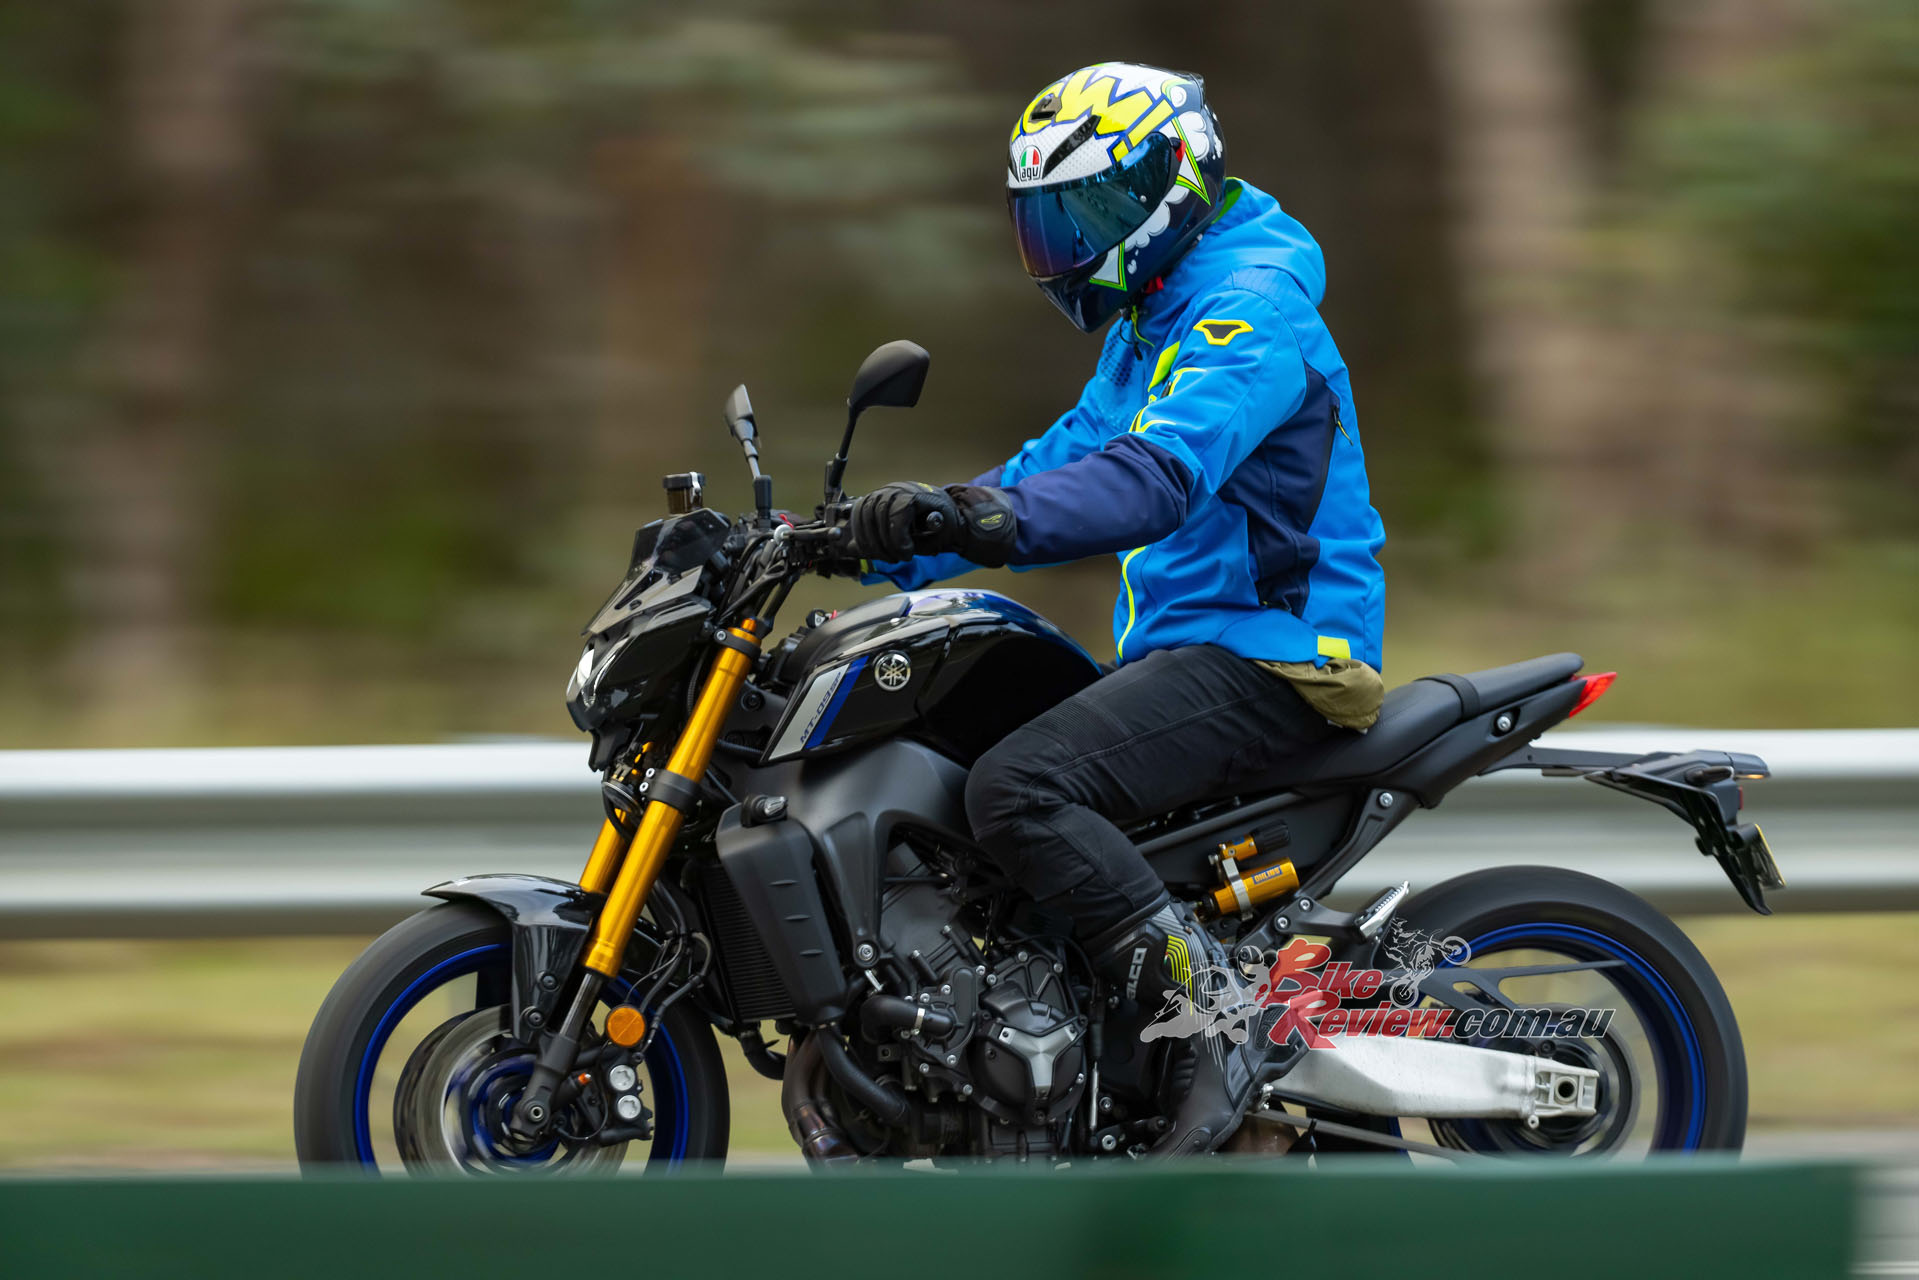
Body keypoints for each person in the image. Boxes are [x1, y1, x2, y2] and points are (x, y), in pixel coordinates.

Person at [843, 62, 1387, 1154]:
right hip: (1191, 651)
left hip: (1277, 656)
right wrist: (863, 539)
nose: (1064, 245)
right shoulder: (1151, 315)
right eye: (1047, 220)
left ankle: (1212, 1031)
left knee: (1018, 788)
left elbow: (1151, 479)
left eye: (1083, 213)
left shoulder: (1248, 308)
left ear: (1166, 183)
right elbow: (1061, 458)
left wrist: (978, 521)